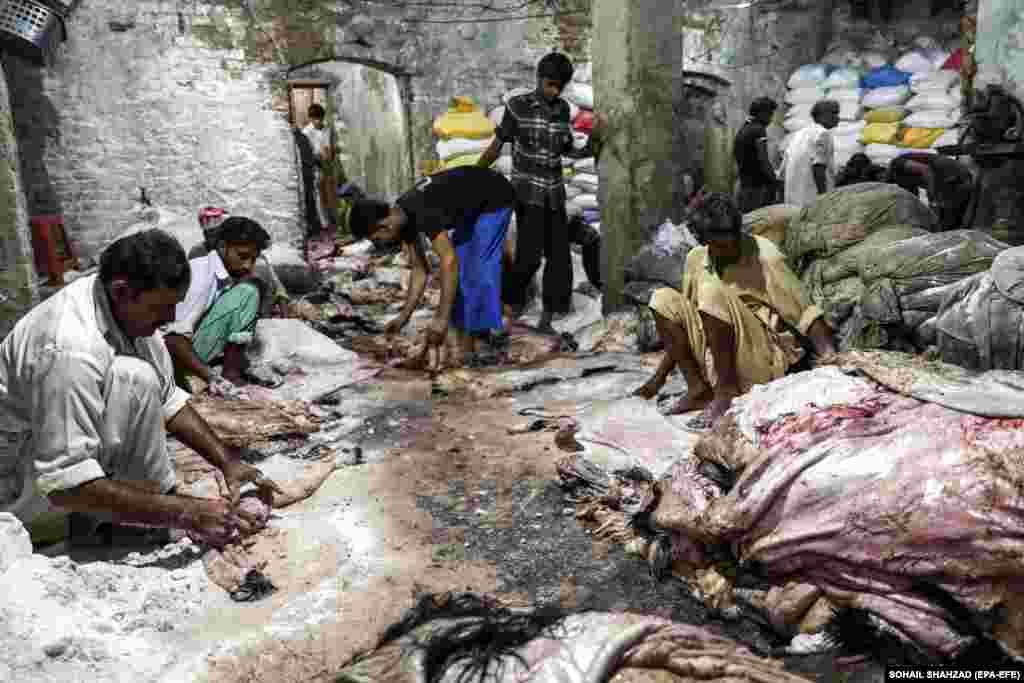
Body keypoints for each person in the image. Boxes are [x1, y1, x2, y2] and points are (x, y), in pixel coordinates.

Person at [0, 229, 281, 548]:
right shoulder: (68, 349)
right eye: (161, 309)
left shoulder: (127, 311)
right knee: (129, 377)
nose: (170, 318)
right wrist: (187, 512)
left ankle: (129, 518)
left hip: (51, 456)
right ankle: (84, 524)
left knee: (136, 376)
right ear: (121, 291)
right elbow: (64, 481)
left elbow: (169, 400)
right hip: (19, 482)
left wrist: (228, 463)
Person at [632, 193, 837, 432]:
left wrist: (830, 360)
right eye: (718, 244)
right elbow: (687, 326)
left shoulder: (765, 256)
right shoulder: (696, 259)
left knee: (712, 292)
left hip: (760, 358)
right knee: (662, 299)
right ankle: (698, 389)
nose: (727, 250)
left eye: (732, 241)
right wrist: (658, 379)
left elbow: (806, 313)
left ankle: (726, 392)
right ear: (702, 239)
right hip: (715, 358)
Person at [348, 166, 517, 367]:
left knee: (478, 269)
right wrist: (403, 317)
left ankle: (479, 342)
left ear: (385, 225)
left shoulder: (421, 209)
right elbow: (420, 270)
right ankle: (466, 341)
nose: (381, 243)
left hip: (495, 196)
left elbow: (448, 260)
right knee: (461, 274)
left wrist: (441, 318)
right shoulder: (402, 217)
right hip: (469, 207)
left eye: (377, 238)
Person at [477, 52, 586, 334]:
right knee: (529, 258)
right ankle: (509, 308)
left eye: (559, 87)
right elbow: (497, 144)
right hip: (527, 194)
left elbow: (568, 149)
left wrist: (592, 142)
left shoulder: (563, 110)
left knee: (559, 258)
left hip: (555, 193)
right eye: (550, 84)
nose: (554, 91)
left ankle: (548, 319)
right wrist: (475, 173)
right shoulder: (517, 106)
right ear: (538, 79)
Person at [165, 217, 272, 393]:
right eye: (243, 256)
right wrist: (211, 377)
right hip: (170, 360)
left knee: (249, 288)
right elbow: (173, 338)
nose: (248, 266)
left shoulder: (222, 273)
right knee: (247, 293)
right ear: (222, 247)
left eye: (253, 259)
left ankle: (228, 371)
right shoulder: (200, 274)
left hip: (184, 352)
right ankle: (229, 376)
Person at [887, 153, 974, 231]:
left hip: (953, 177)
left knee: (946, 222)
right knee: (950, 223)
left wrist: (932, 197)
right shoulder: (902, 183)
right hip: (954, 180)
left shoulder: (896, 164)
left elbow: (925, 170)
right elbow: (912, 199)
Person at [779, 99, 840, 208]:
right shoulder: (823, 133)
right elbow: (818, 166)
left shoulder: (799, 134)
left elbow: (783, 172)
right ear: (822, 115)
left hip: (792, 202)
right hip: (812, 201)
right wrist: (823, 197)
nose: (838, 117)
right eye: (834, 113)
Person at [734, 97, 781, 212]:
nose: (771, 119)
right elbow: (763, 159)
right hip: (755, 189)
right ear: (761, 113)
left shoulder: (744, 128)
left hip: (744, 185)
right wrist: (774, 180)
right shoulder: (759, 130)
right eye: (770, 114)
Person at [301, 103, 335, 231]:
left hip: (327, 164)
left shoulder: (327, 129)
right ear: (310, 118)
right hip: (314, 166)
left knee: (329, 193)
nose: (318, 121)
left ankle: (331, 220)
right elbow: (307, 152)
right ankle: (323, 223)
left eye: (320, 118)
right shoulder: (306, 132)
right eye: (315, 118)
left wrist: (328, 154)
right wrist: (318, 157)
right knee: (318, 195)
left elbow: (328, 149)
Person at [704, 101, 737, 196]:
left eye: (718, 109)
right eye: (714, 110)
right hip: (714, 170)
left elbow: (733, 147)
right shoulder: (710, 129)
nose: (716, 112)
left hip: (727, 169)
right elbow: (708, 153)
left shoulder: (730, 129)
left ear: (723, 111)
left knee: (726, 194)